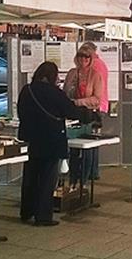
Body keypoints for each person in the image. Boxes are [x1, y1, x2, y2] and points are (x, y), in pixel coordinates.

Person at [17, 61, 83, 226]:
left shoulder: (27, 90)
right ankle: (43, 216)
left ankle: (26, 211)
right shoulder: (55, 93)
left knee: (30, 177)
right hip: (52, 140)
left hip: (33, 139)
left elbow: (21, 111)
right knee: (47, 179)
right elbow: (70, 111)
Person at [64, 45, 107, 183]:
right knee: (73, 148)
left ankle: (84, 180)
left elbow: (97, 99)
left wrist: (79, 102)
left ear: (90, 59)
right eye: (81, 56)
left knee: (87, 148)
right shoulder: (72, 73)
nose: (83, 59)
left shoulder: (95, 75)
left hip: (87, 115)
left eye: (86, 57)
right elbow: (65, 91)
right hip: (72, 114)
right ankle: (73, 178)